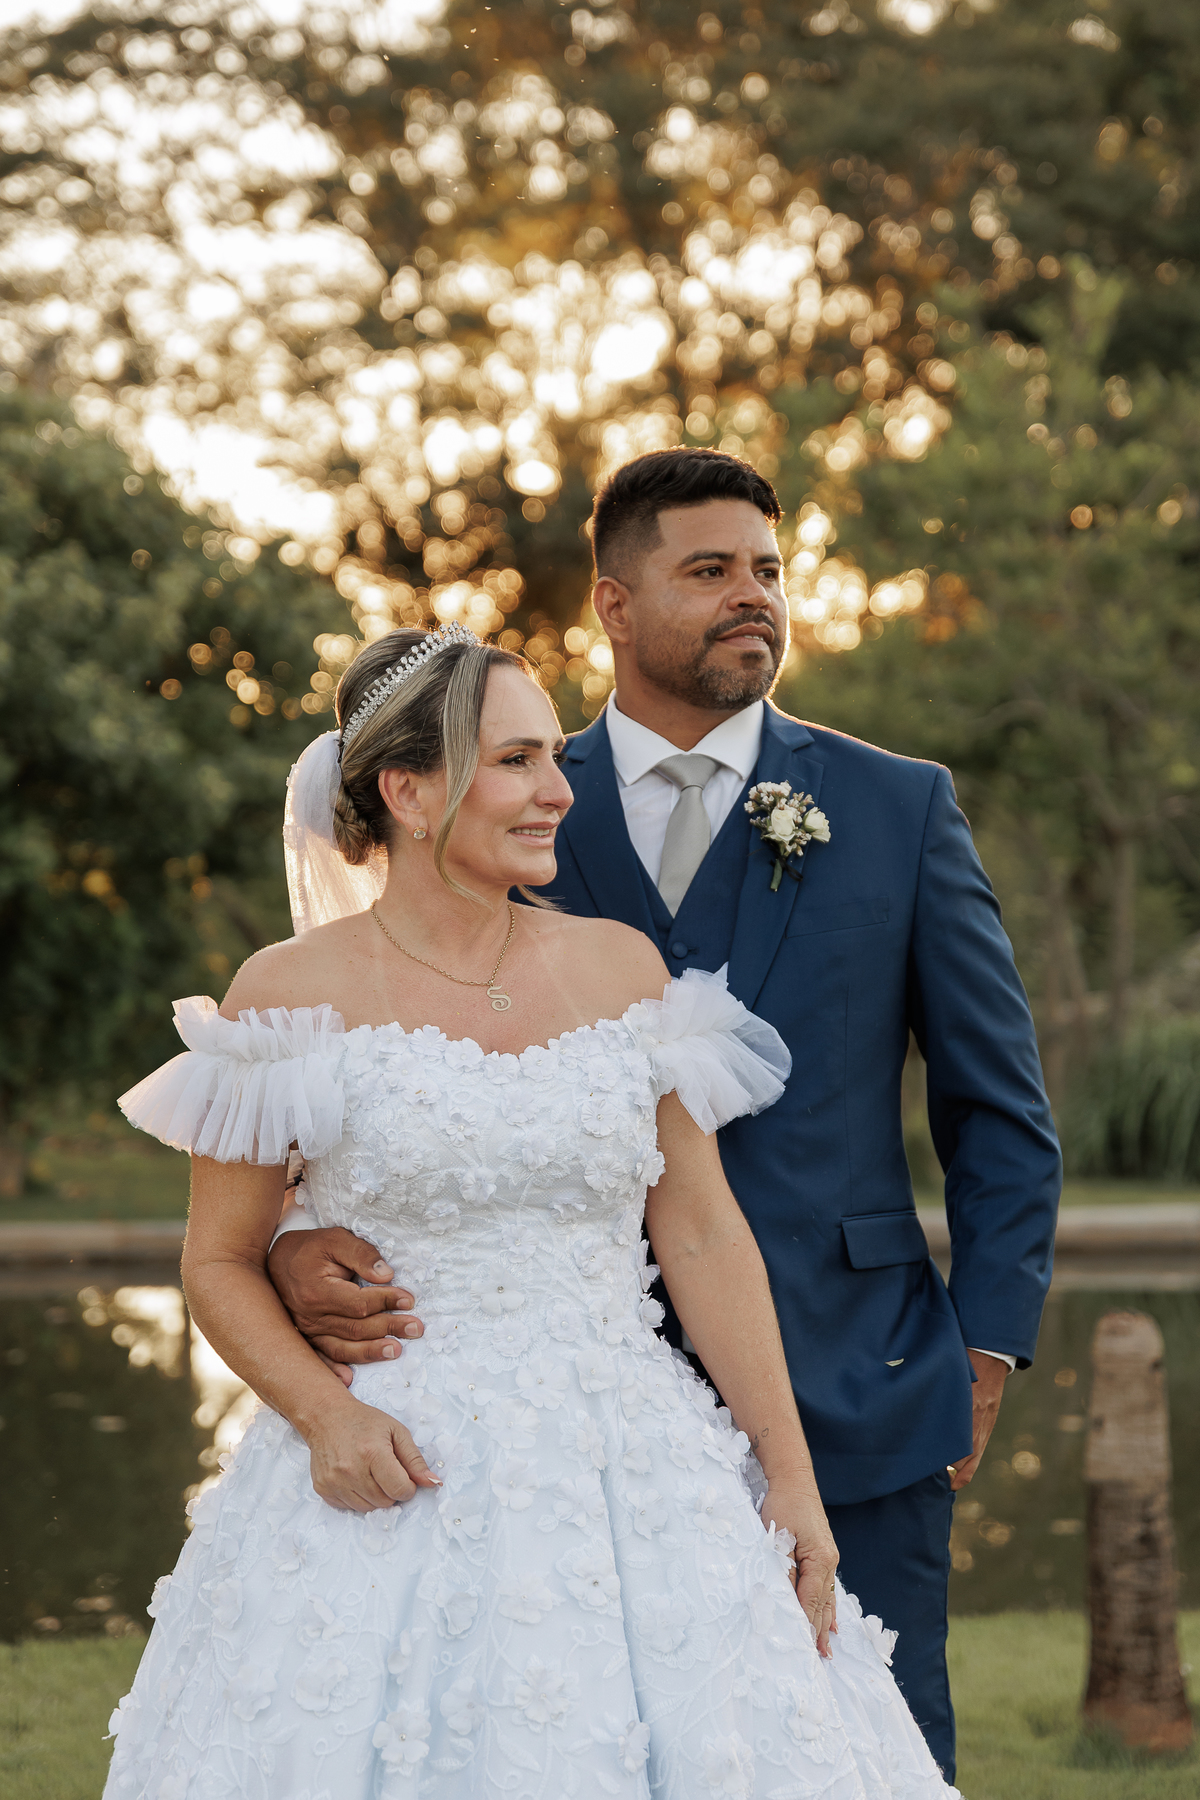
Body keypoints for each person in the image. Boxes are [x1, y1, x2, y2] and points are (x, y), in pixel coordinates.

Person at [268, 450, 1061, 1783]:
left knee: (859, 1749)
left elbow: (1002, 1109)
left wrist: (985, 1355)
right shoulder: (495, 793)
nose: (752, 595)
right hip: (540, 1441)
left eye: (767, 570)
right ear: (615, 606)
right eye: (709, 571)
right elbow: (362, 1067)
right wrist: (297, 1245)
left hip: (853, 1384)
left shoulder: (897, 806)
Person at [105, 626, 959, 1799]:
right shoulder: (286, 994)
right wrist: (324, 1418)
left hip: (638, 1461)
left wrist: (788, 1475)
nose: (559, 790)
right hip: (394, 1464)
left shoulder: (623, 972)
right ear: (407, 790)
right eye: (515, 762)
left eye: (551, 757)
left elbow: (702, 1233)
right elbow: (217, 1262)